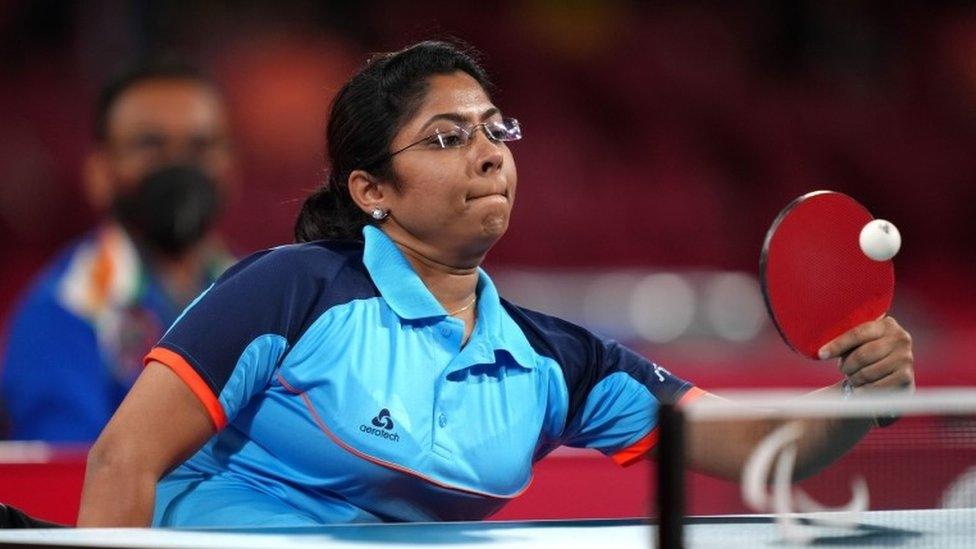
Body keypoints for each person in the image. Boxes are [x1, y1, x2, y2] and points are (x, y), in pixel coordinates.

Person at [76, 41, 914, 527]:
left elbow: (765, 448)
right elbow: (123, 458)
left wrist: (860, 394)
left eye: (493, 131)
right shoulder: (289, 293)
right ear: (371, 190)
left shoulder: (559, 362)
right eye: (446, 138)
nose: (487, 153)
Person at [0, 59, 237, 442]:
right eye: (151, 145)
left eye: (200, 146)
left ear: (230, 167)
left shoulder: (261, 293)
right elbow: (68, 479)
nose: (178, 165)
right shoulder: (65, 308)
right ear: (99, 173)